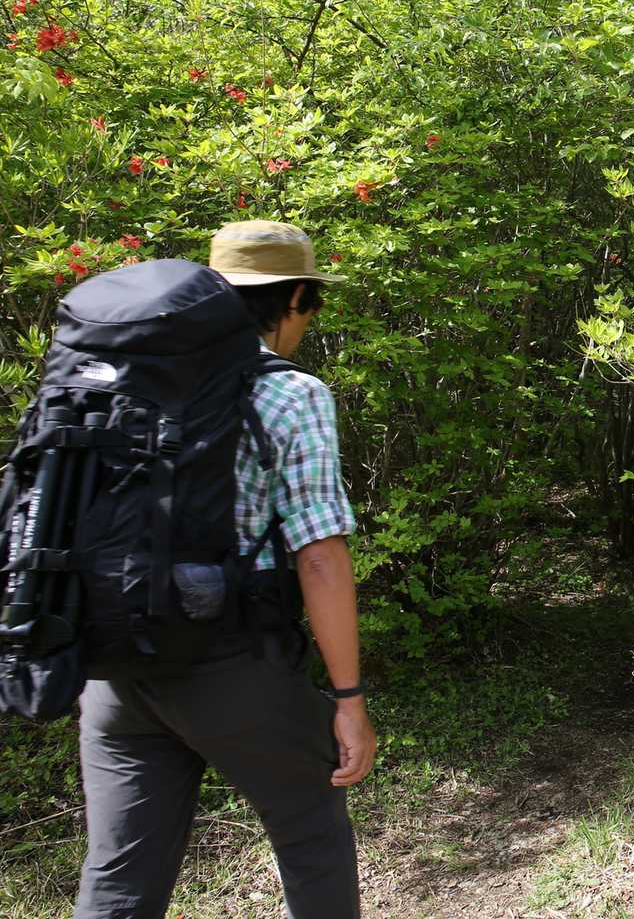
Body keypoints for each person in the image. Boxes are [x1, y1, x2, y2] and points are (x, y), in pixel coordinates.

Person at [74, 220, 375, 919]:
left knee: (119, 879)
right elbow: (319, 555)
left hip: (116, 670)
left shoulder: (122, 379)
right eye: (310, 305)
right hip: (231, 666)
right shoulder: (291, 394)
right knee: (312, 835)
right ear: (294, 297)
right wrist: (349, 700)